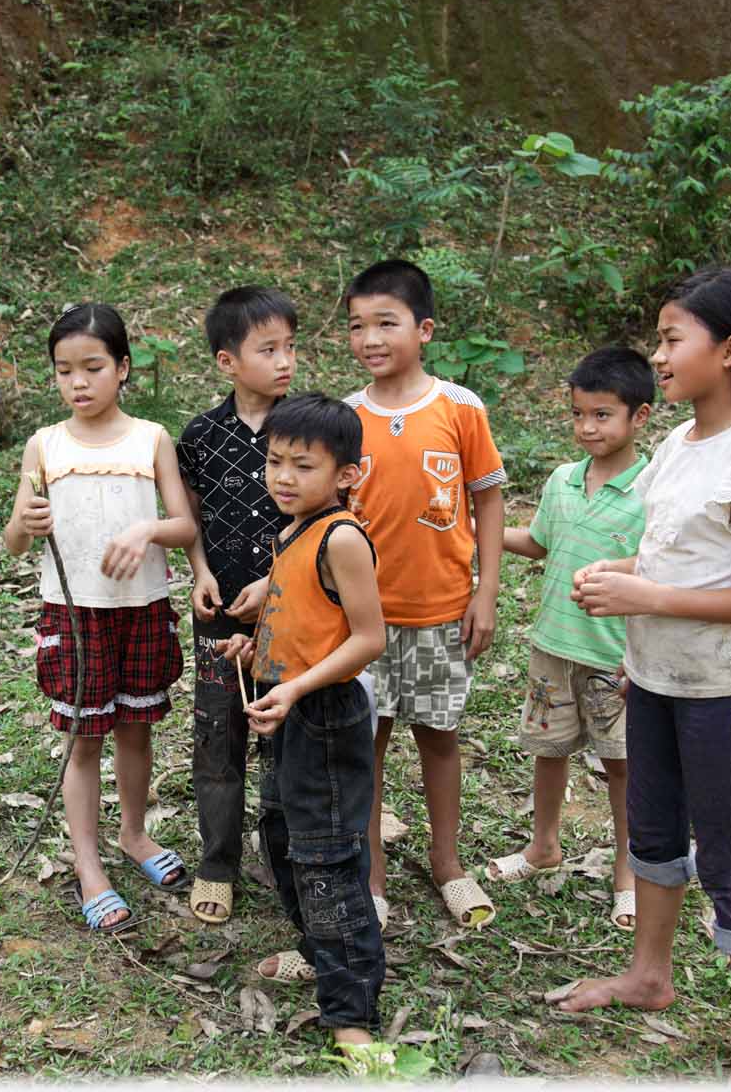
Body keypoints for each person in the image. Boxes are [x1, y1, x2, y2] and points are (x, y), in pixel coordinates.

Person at [558, 267, 731, 1083]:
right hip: (654, 678)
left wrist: (647, 592)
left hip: (720, 696)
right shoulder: (680, 441)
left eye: (673, 340)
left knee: (726, 854)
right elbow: (681, 558)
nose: (658, 357)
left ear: (730, 350)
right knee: (655, 835)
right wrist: (622, 578)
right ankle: (649, 975)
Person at [3, 303, 198, 932]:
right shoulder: (45, 446)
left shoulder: (151, 438)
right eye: (64, 371)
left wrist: (147, 530)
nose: (78, 383)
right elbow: (12, 539)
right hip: (73, 611)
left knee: (137, 728)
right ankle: (89, 865)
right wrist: (24, 524)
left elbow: (184, 523)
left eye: (92, 367)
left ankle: (135, 835)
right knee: (84, 739)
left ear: (123, 368)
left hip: (140, 608)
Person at [218, 393, 387, 1052]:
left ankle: (351, 1012)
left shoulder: (341, 536)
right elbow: (309, 616)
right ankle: (320, 949)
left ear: (347, 474)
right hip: (286, 706)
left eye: (303, 465)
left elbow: (368, 638)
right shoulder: (290, 528)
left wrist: (295, 688)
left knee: (327, 859)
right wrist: (255, 645)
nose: (283, 477)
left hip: (323, 716)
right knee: (282, 836)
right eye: (275, 461)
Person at [342, 260, 506, 929]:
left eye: (387, 322)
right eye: (357, 326)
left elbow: (489, 501)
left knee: (439, 737)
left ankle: (448, 862)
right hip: (365, 622)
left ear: (425, 329)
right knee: (369, 743)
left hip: (442, 614)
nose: (370, 338)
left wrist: (486, 591)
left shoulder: (459, 409)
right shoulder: (347, 416)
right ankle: (373, 877)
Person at [489, 346, 653, 931]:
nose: (588, 427)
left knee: (623, 767)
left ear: (641, 417)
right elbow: (539, 543)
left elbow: (663, 570)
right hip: (553, 647)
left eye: (603, 415)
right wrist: (479, 534)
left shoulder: (652, 490)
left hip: (617, 657)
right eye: (579, 414)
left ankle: (628, 875)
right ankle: (543, 846)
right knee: (548, 750)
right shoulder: (562, 480)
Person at [176, 286, 298, 925]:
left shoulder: (305, 426)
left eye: (289, 347)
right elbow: (189, 514)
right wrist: (198, 571)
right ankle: (217, 860)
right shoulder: (200, 436)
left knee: (286, 737)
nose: (285, 361)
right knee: (217, 734)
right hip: (219, 614)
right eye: (268, 349)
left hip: (295, 618)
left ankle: (286, 858)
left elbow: (327, 516)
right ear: (227, 361)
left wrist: (279, 587)